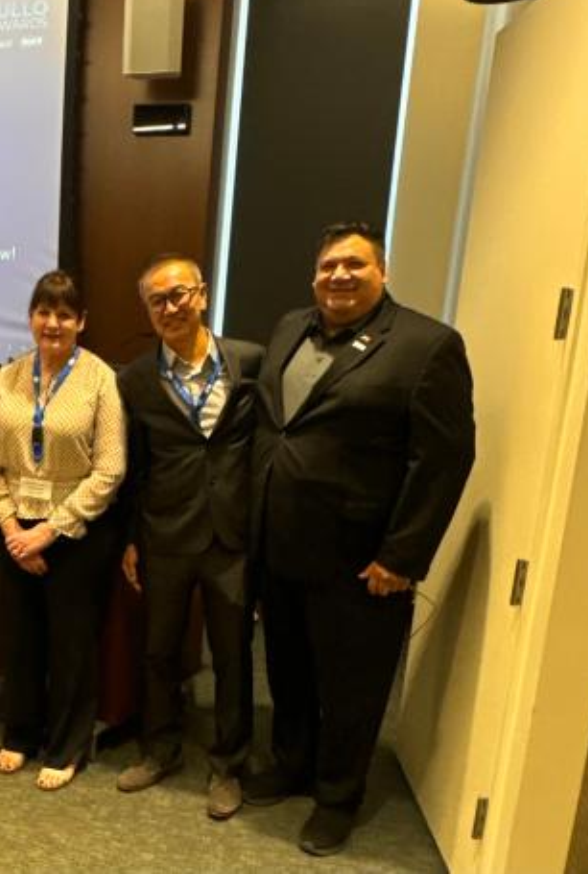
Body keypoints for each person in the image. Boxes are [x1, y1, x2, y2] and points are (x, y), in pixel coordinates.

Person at [248, 222, 475, 856]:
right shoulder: (291, 327)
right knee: (288, 670)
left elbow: (445, 459)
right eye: (327, 267)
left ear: (383, 271)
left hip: (361, 561)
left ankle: (337, 797)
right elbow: (280, 428)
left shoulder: (427, 346)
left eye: (354, 264)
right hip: (283, 544)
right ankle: (293, 764)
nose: (338, 276)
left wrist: (402, 556)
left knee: (352, 687)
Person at [115, 254, 263, 820]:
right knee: (158, 651)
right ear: (148, 312)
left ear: (201, 295)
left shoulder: (249, 360)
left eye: (179, 295)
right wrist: (131, 539)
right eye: (158, 300)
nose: (171, 307)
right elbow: (134, 467)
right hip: (164, 534)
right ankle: (161, 749)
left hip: (232, 537)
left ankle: (228, 766)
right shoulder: (134, 378)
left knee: (231, 656)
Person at [0, 270, 126, 790]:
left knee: (71, 643)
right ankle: (21, 732)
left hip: (77, 532)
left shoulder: (101, 379)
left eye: (64, 314)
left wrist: (50, 532)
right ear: (31, 317)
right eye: (43, 311)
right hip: (12, 522)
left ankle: (66, 745)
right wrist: (14, 528)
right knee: (20, 639)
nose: (52, 322)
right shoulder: (6, 379)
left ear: (81, 321)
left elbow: (110, 469)